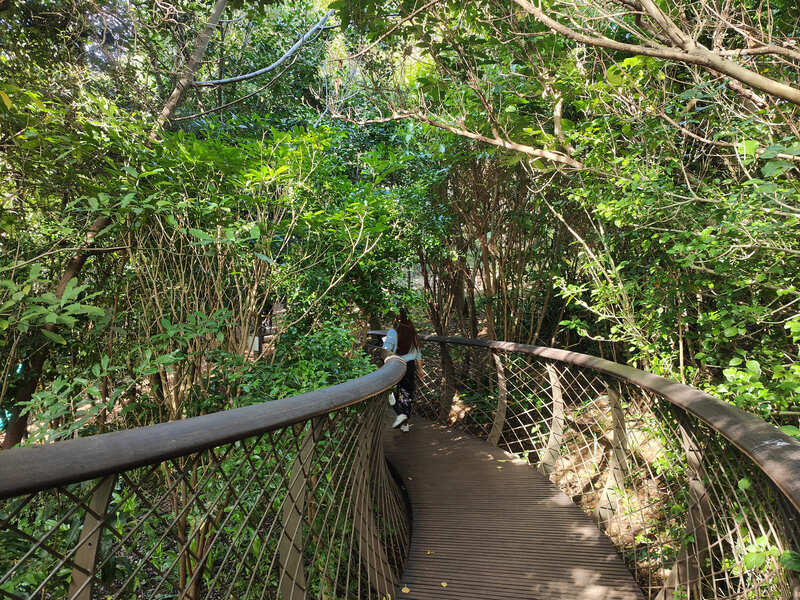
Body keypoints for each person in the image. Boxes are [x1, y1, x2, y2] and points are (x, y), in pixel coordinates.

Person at [382, 308, 422, 432]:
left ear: (396, 319)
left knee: (396, 391)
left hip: (396, 365)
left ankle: (399, 411)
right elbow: (418, 353)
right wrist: (420, 369)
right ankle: (405, 423)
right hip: (410, 365)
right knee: (408, 394)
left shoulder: (393, 332)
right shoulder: (413, 332)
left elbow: (387, 349)